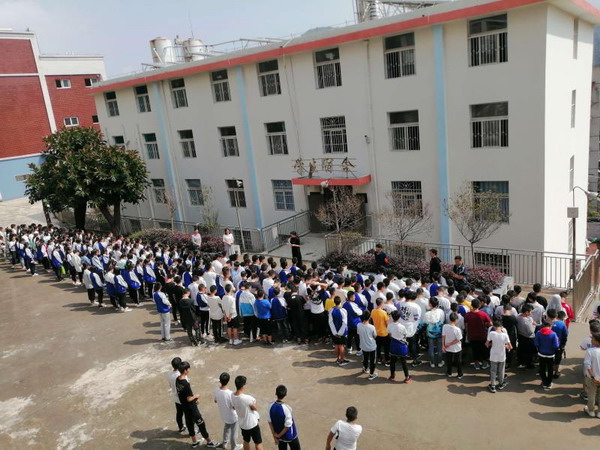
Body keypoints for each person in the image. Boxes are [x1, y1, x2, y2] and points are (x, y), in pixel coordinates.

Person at [176, 361, 220, 448]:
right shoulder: (185, 383)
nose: (189, 370)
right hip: (192, 408)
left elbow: (183, 395)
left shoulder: (177, 380)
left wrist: (193, 399)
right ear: (185, 370)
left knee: (189, 424)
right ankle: (209, 442)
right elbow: (189, 398)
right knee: (201, 424)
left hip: (185, 407)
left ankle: (194, 442)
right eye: (188, 369)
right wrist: (196, 396)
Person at [231, 376, 263, 450]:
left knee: (246, 441)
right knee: (258, 443)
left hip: (243, 424)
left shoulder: (232, 395)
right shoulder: (247, 398)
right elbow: (255, 408)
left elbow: (233, 407)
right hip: (252, 424)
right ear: (243, 385)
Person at [267, 385, 301, 450]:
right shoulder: (287, 408)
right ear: (285, 394)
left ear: (276, 393)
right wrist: (279, 435)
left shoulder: (270, 406)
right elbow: (287, 426)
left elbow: (269, 422)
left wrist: (275, 436)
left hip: (279, 436)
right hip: (290, 435)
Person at [213, 372, 239, 450]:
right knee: (234, 432)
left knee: (226, 428)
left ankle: (224, 443)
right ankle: (234, 447)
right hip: (232, 416)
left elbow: (215, 400)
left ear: (220, 380)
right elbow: (234, 407)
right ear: (228, 381)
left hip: (224, 415)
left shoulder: (216, 390)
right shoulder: (230, 393)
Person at [465, 298, 492, 370]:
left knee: (475, 350)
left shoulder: (468, 315)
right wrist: (484, 324)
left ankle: (476, 364)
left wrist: (468, 333)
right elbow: (490, 323)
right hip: (482, 335)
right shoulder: (483, 314)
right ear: (479, 305)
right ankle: (484, 363)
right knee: (484, 349)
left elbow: (466, 325)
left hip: (472, 335)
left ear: (471, 305)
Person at [486, 319, 512, 393]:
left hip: (493, 355)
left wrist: (491, 344)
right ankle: (501, 383)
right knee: (501, 370)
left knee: (493, 371)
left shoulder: (491, 333)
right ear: (501, 326)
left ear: (494, 326)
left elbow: (486, 344)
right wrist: (505, 346)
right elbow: (510, 347)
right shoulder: (505, 335)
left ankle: (493, 385)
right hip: (502, 355)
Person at [534, 319, 560, 389]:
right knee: (550, 369)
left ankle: (544, 382)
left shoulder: (538, 333)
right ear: (550, 325)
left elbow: (536, 343)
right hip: (550, 355)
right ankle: (549, 383)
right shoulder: (553, 334)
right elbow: (556, 346)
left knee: (542, 368)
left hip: (541, 354)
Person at [388, 310, 411, 383]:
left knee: (392, 362)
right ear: (399, 317)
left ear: (392, 317)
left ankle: (392, 376)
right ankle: (407, 377)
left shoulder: (389, 325)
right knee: (404, 363)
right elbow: (405, 335)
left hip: (393, 345)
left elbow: (389, 334)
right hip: (401, 347)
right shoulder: (402, 327)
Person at [583, 332, 600, 417]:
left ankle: (591, 411)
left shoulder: (590, 351)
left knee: (591, 394)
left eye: (593, 339)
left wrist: (593, 377)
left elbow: (587, 365)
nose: (591, 340)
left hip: (591, 378)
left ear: (597, 341)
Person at [357, 311, 378, 380]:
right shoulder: (372, 327)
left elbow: (358, 333)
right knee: (372, 361)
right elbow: (375, 336)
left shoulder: (358, 325)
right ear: (369, 317)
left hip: (363, 346)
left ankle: (365, 368)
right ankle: (371, 374)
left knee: (365, 358)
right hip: (372, 346)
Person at [424, 297, 445, 368]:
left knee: (431, 348)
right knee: (439, 348)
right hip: (439, 331)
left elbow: (426, 322)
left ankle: (432, 363)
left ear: (430, 304)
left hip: (430, 333)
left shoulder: (427, 314)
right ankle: (440, 362)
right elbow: (442, 321)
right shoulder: (441, 311)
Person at [442, 312, 463, 379]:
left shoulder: (445, 326)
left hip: (448, 348)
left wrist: (443, 346)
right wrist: (449, 344)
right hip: (457, 348)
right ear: (456, 320)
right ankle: (460, 374)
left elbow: (443, 336)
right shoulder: (457, 329)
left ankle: (449, 373)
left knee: (449, 361)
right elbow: (458, 339)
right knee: (458, 361)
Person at [168, 357, 186, 433]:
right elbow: (186, 388)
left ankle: (181, 427)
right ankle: (192, 430)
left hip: (176, 397)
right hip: (184, 398)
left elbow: (170, 385)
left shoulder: (169, 374)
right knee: (189, 414)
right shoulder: (181, 375)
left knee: (179, 413)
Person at [329, 297, 349, 366]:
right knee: (341, 345)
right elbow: (345, 323)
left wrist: (335, 332)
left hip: (334, 331)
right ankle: (342, 360)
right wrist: (340, 333)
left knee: (336, 345)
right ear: (340, 302)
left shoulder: (331, 310)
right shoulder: (343, 310)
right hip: (341, 332)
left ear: (334, 302)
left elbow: (330, 322)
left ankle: (338, 359)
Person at [517, 304, 537, 369]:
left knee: (521, 349)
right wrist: (534, 325)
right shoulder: (526, 321)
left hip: (521, 335)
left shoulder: (518, 316)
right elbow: (531, 331)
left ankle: (521, 362)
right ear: (526, 312)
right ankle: (528, 364)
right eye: (530, 311)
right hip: (528, 338)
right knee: (529, 352)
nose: (531, 313)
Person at [371, 298, 390, 366]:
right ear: (381, 303)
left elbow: (372, 320)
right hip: (384, 333)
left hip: (376, 332)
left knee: (378, 347)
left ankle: (379, 359)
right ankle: (387, 360)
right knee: (386, 347)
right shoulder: (384, 313)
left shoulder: (373, 311)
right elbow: (387, 324)